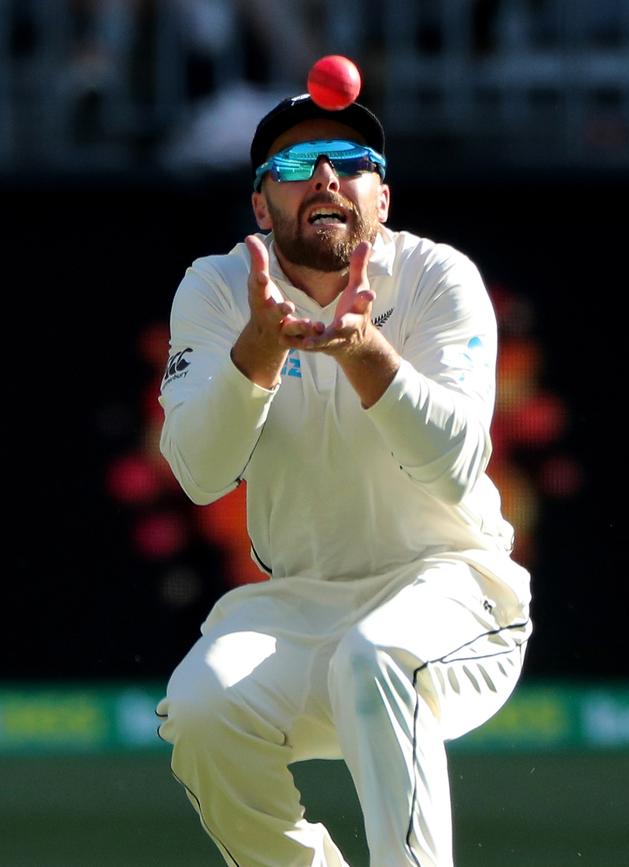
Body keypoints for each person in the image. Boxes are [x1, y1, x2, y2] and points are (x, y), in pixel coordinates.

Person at [155, 91, 533, 867]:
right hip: (301, 604)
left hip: (460, 592)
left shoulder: (438, 278)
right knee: (200, 709)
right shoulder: (217, 289)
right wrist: (256, 350)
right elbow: (198, 474)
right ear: (262, 203)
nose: (326, 175)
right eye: (295, 164)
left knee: (376, 653)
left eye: (353, 162)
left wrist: (367, 352)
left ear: (382, 195)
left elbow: (457, 465)